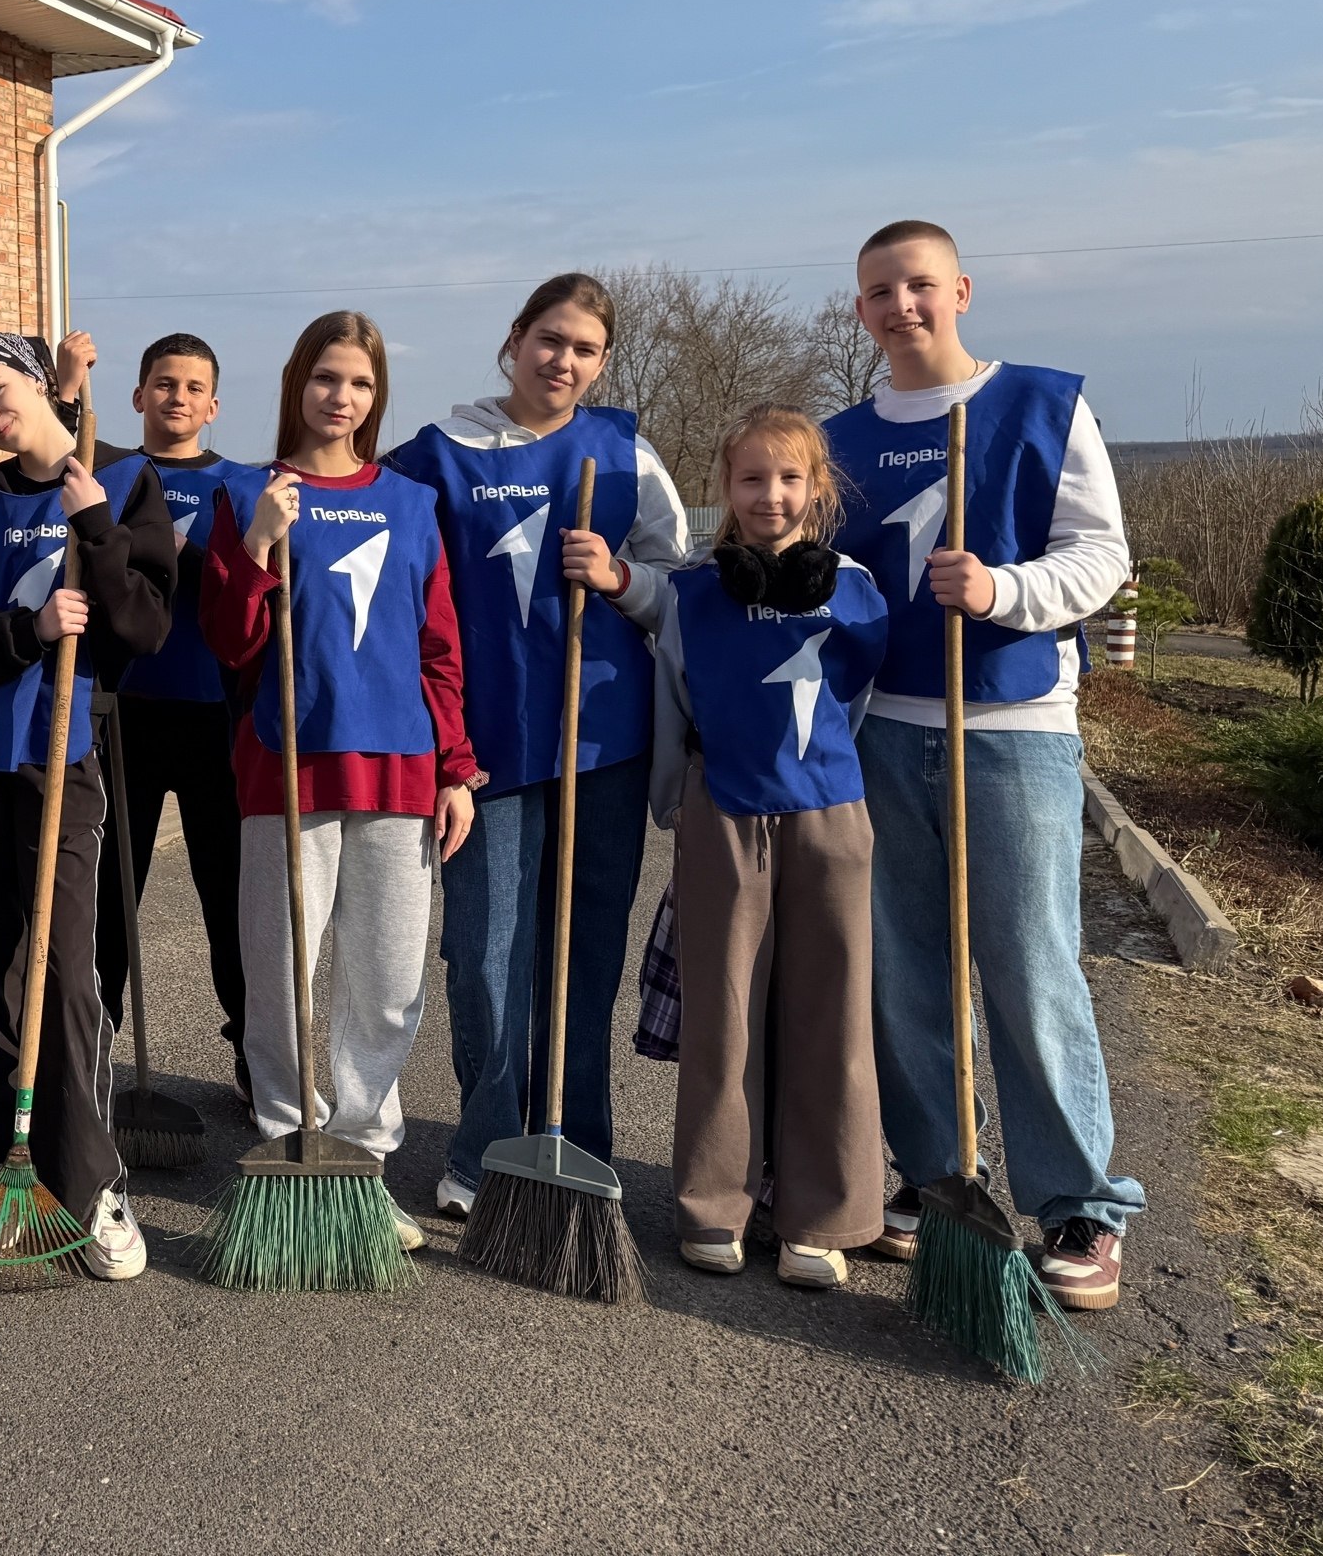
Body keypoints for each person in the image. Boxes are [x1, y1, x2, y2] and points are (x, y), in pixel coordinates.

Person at [826, 219, 1141, 1311]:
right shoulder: (839, 438)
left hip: (1009, 730)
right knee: (903, 967)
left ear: (958, 289)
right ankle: (932, 1174)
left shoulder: (1039, 405)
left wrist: (1001, 593)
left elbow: (1101, 555)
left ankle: (1077, 1204)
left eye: (917, 285)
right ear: (858, 309)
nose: (899, 306)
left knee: (1027, 964)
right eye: (878, 292)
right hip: (883, 728)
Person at [385, 273, 687, 1218]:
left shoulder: (625, 453)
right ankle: (483, 1148)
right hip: (486, 752)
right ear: (514, 340)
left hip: (601, 740)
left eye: (585, 349)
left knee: (585, 955)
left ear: (602, 363)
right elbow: (364, 538)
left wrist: (623, 575)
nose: (563, 360)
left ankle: (576, 1143)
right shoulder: (433, 457)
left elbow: (681, 590)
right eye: (549, 339)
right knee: (485, 957)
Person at [0, 332, 175, 1280]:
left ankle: (90, 1183)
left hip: (61, 758)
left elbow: (145, 627)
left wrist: (95, 531)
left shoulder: (121, 486)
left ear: (38, 385)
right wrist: (26, 627)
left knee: (63, 969)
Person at [202, 312, 477, 1250]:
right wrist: (256, 548)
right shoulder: (248, 493)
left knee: (389, 980)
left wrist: (456, 770)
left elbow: (438, 646)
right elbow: (231, 643)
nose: (341, 397)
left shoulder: (409, 503)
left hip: (399, 772)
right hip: (285, 767)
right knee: (280, 970)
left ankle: (359, 1161)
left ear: (376, 394)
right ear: (297, 383)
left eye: (359, 383)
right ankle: (289, 1139)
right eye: (326, 378)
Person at [651, 406, 890, 1290]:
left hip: (828, 813)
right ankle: (717, 1202)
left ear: (817, 488)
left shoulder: (858, 590)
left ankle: (821, 1215)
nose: (771, 496)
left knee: (831, 1012)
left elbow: (853, 699)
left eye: (790, 479)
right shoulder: (691, 592)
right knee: (724, 1011)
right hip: (725, 810)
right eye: (752, 478)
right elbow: (673, 694)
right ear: (726, 488)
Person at [91, 332, 257, 1094]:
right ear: (138, 396)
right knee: (107, 896)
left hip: (215, 716)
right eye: (163, 383)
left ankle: (254, 1052)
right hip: (125, 712)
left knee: (228, 894)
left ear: (213, 405)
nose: (177, 398)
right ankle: (93, 1045)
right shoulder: (112, 478)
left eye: (193, 387)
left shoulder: (242, 486)